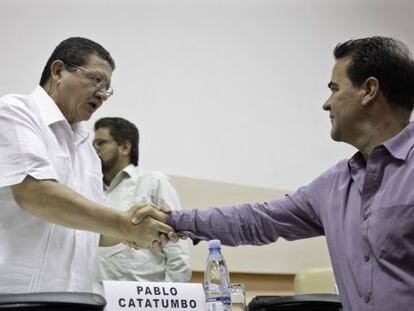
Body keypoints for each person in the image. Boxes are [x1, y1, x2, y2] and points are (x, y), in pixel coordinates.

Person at [159, 36, 414, 310]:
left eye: (335, 89)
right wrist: (172, 220)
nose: (327, 104)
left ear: (369, 90)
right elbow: (255, 220)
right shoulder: (334, 185)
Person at [0, 37, 171, 293]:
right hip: (16, 297)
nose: (103, 94)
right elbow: (34, 193)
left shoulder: (87, 151)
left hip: (78, 298)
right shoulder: (16, 112)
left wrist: (134, 229)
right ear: (58, 71)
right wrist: (122, 223)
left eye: (107, 87)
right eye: (96, 79)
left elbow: (92, 233)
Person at [92, 117, 191, 294]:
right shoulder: (91, 190)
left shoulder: (153, 182)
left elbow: (177, 247)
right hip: (97, 298)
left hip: (143, 300)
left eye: (101, 143)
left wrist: (169, 301)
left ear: (125, 147)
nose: (95, 150)